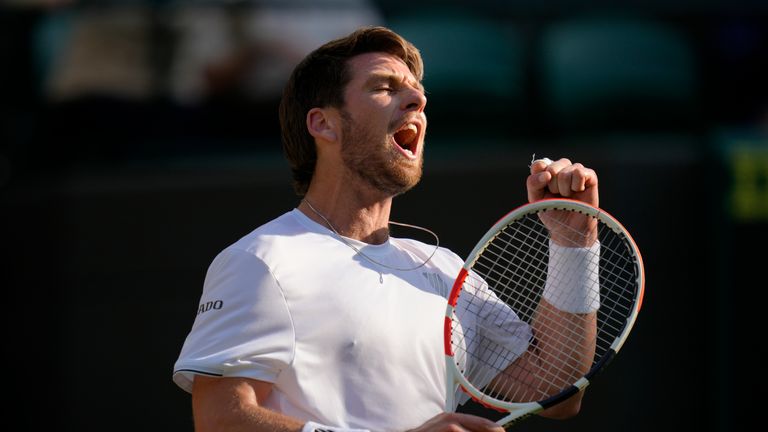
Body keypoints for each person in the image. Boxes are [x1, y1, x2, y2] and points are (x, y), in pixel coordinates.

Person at [172, 26, 600, 432]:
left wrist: (573, 242)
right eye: (384, 87)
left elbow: (556, 391)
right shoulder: (261, 260)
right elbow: (221, 420)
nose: (417, 99)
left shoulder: (446, 270)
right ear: (323, 124)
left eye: (418, 91)